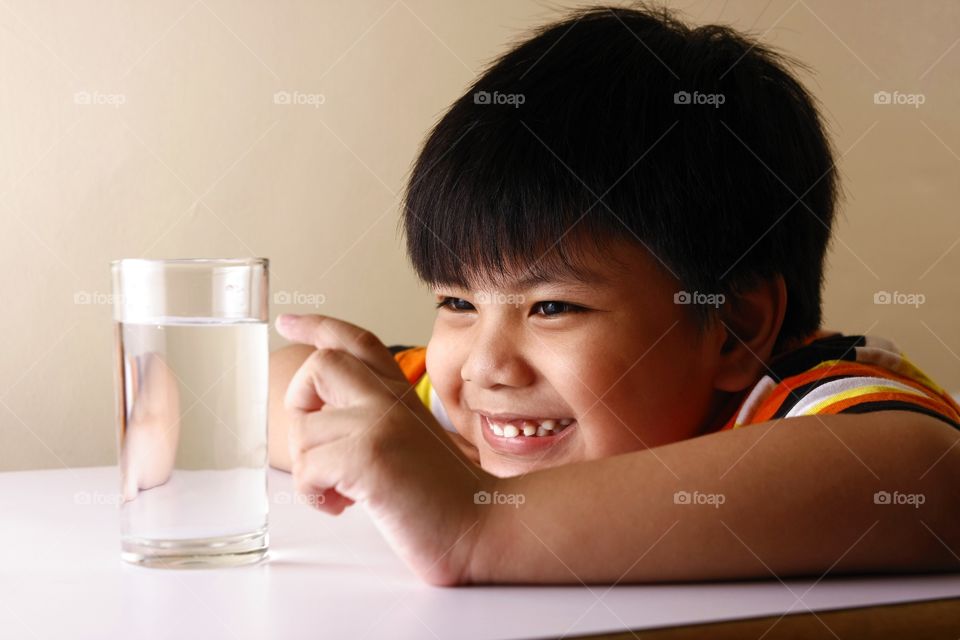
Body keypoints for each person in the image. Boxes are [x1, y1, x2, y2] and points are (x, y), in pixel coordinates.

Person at [268, 5, 960, 585]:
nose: (485, 367)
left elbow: (929, 475)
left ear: (734, 328)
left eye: (551, 307)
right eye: (456, 303)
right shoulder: (483, 405)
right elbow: (282, 379)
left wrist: (479, 524)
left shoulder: (801, 403)